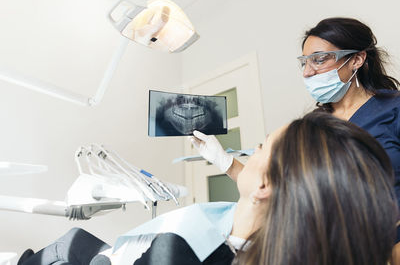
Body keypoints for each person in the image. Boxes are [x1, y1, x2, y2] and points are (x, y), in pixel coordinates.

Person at [19, 112, 397, 265]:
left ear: (264, 185)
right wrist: (223, 161)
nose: (250, 153)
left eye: (260, 147)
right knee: (76, 238)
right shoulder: (265, 241)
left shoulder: (178, 253)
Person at [192, 16, 400, 260]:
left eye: (319, 60)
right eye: (304, 63)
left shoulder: (393, 108)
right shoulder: (314, 124)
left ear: (356, 59)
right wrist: (224, 162)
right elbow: (280, 189)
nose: (307, 72)